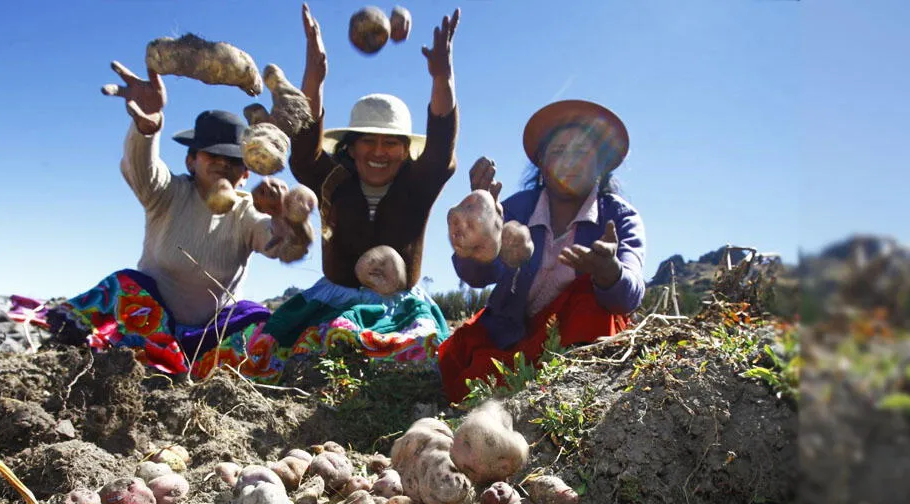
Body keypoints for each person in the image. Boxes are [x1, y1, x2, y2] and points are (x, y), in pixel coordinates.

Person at [46, 61, 314, 376]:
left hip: (211, 337)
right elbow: (140, 168)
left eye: (233, 160)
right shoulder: (166, 193)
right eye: (211, 155)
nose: (222, 165)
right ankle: (83, 355)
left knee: (257, 318)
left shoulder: (246, 211)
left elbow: (279, 245)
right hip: (148, 325)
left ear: (246, 173)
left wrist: (286, 216)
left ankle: (200, 369)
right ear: (190, 160)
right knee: (123, 285)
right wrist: (147, 128)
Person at [238, 4, 461, 381]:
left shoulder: (417, 184)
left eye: (390, 144)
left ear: (406, 151)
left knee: (412, 360)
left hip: (400, 308)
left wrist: (442, 77)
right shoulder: (332, 179)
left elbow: (440, 148)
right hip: (333, 301)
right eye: (367, 142)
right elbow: (306, 151)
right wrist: (316, 75)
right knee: (290, 353)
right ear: (350, 147)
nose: (378, 152)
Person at [438, 99, 647, 404]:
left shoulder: (619, 218)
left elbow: (630, 295)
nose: (568, 163)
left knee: (590, 298)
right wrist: (478, 231)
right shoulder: (518, 208)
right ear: (541, 164)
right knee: (472, 375)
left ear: (601, 165)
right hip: (509, 336)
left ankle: (572, 390)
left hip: (575, 341)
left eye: (581, 153)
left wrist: (608, 272)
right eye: (558, 152)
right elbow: (479, 276)